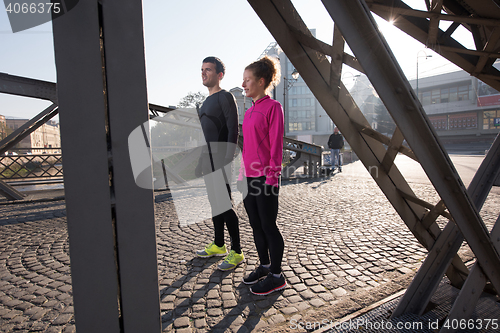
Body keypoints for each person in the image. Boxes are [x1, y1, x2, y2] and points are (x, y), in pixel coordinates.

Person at [238, 56, 286, 295]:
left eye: (247, 80)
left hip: (265, 178)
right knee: (255, 224)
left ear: (261, 81)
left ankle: (277, 276)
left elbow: (276, 146)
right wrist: (240, 175)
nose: (244, 84)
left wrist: (272, 177)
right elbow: (247, 148)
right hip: (248, 178)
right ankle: (265, 266)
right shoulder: (248, 112)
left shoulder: (273, 108)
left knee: (268, 225)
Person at [195, 56, 244, 271]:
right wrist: (200, 161)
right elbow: (203, 135)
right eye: (202, 69)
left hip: (222, 158)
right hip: (208, 159)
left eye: (208, 70)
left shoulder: (226, 97)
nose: (204, 73)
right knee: (215, 204)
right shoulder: (205, 102)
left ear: (219, 75)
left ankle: (237, 251)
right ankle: (218, 244)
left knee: (224, 204)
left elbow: (233, 129)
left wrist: (227, 158)